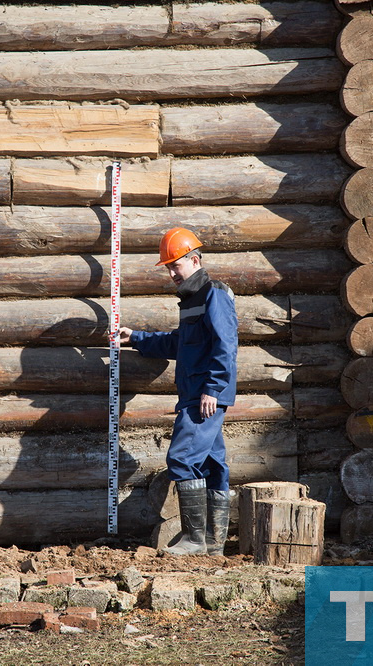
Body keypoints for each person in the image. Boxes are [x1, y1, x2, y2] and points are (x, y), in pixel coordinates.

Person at [119, 228, 238, 556]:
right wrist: (139, 339)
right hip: (195, 393)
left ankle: (194, 539)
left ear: (195, 260)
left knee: (182, 458)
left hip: (204, 395)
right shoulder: (192, 299)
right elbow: (179, 343)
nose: (171, 273)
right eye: (168, 267)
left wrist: (214, 388)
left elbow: (225, 345)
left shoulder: (214, 293)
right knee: (213, 465)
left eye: (176, 265)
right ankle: (213, 543)